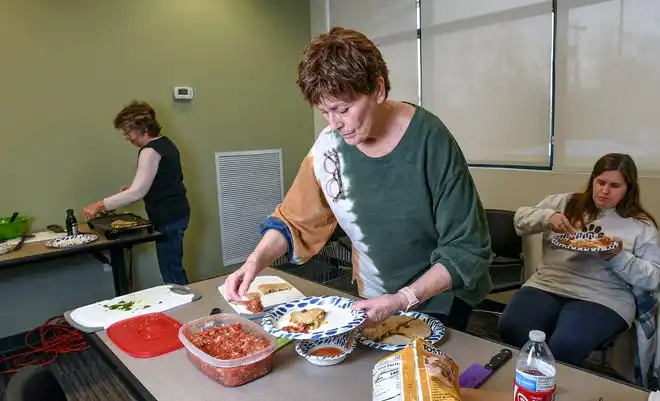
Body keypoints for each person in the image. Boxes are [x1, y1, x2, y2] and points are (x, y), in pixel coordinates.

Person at [224, 27, 492, 331]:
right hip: (373, 296)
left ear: (378, 89)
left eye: (343, 109)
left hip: (439, 298)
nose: (335, 124)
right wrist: (254, 262)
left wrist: (403, 298)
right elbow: (295, 221)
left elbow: (467, 247)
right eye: (325, 112)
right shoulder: (330, 148)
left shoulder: (430, 140)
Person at [498, 153, 660, 367]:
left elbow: (655, 278)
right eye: (600, 182)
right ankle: (529, 379)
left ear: (628, 188)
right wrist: (547, 218)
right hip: (548, 283)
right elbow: (520, 220)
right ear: (592, 179)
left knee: (566, 346)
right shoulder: (565, 203)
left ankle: (554, 385)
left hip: (604, 295)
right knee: (511, 327)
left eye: (614, 185)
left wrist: (618, 257)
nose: (604, 191)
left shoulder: (640, 225)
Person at [83, 101, 191, 285]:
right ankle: (186, 305)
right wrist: (135, 189)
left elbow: (137, 193)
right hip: (178, 213)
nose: (127, 137)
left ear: (142, 128)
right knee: (173, 266)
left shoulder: (149, 151)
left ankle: (185, 309)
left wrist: (98, 205)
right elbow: (163, 180)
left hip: (168, 218)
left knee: (171, 272)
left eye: (127, 132)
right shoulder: (166, 143)